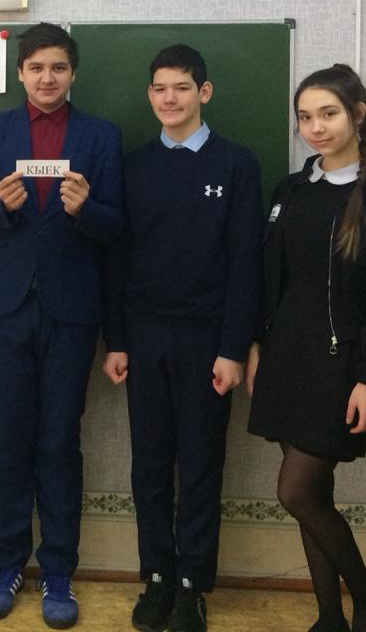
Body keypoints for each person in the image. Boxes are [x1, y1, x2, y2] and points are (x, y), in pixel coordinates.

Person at [0, 22, 123, 630]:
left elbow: (116, 225)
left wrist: (85, 211)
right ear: (20, 73)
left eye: (58, 67)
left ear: (72, 73)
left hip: (71, 311)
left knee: (58, 442)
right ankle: (6, 566)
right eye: (36, 68)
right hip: (3, 309)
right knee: (8, 440)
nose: (47, 78)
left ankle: (57, 571)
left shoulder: (100, 136)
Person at [245, 64, 366, 632]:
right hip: (286, 358)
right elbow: (271, 278)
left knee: (295, 491)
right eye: (305, 117)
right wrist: (257, 344)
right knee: (313, 493)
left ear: (357, 114)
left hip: (342, 367)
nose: (315, 127)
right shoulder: (291, 190)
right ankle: (329, 617)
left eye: (328, 114)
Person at [102, 45, 262, 632]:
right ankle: (157, 577)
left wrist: (233, 347)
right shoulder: (132, 165)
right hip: (144, 337)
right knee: (149, 465)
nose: (169, 98)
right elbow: (117, 257)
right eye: (160, 88)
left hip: (206, 341)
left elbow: (246, 262)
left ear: (204, 92)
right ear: (150, 95)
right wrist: (117, 340)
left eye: (182, 87)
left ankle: (193, 583)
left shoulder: (236, 164)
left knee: (199, 465)